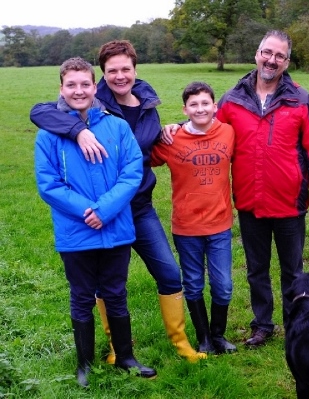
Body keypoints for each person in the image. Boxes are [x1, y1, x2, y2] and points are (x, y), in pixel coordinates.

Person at [30, 40, 205, 363]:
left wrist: (173, 127)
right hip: (97, 214)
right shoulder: (95, 101)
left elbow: (142, 155)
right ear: (101, 77)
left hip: (137, 208)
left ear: (135, 70)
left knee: (168, 273)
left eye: (126, 69)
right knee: (105, 286)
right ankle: (117, 350)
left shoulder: (148, 103)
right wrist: (77, 131)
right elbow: (41, 111)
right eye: (112, 71)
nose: (120, 76)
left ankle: (181, 344)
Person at [161, 30, 309, 348]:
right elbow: (205, 125)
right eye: (267, 52)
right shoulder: (233, 98)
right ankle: (263, 325)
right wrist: (176, 127)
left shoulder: (299, 98)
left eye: (279, 55)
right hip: (249, 202)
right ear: (257, 53)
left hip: (289, 202)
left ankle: (294, 323)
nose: (272, 59)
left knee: (291, 272)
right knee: (256, 269)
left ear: (286, 61)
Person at [34, 57, 156, 387]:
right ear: (61, 88)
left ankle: (126, 357)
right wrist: (87, 211)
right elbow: (48, 184)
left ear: (94, 86)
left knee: (116, 293)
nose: (79, 90)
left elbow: (131, 172)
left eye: (85, 84)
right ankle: (85, 364)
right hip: (76, 233)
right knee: (82, 297)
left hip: (115, 229)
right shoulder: (48, 135)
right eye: (71, 85)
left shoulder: (116, 126)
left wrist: (105, 210)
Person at [150, 81, 237, 355]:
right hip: (187, 226)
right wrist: (164, 131)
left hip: (220, 224)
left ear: (215, 107)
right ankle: (204, 338)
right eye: (193, 104)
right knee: (194, 283)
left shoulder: (229, 133)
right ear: (185, 109)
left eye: (205, 103)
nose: (200, 108)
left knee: (223, 286)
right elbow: (144, 157)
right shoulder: (172, 139)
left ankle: (219, 335)